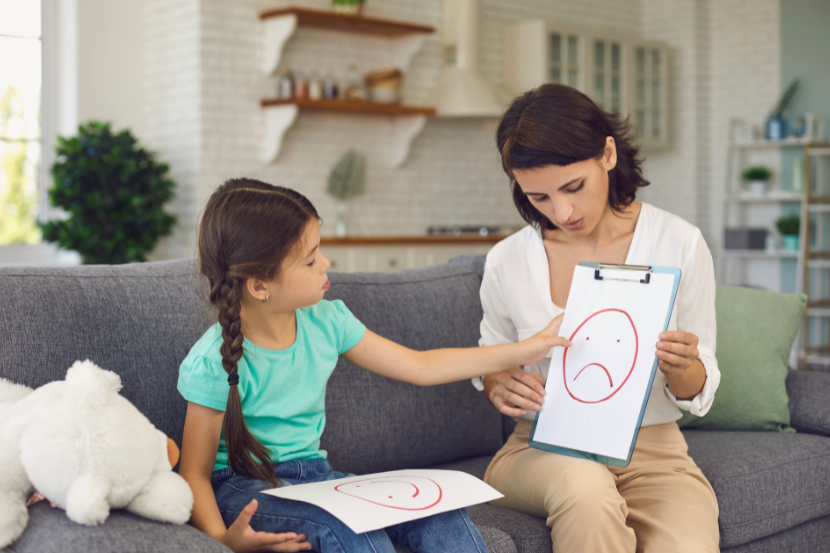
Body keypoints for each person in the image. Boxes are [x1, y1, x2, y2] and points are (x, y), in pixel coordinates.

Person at [177, 178, 571, 553]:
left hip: (316, 478)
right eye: (310, 259)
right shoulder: (213, 362)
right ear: (259, 286)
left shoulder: (327, 321)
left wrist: (526, 349)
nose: (326, 263)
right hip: (245, 490)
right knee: (344, 526)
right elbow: (194, 473)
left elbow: (421, 366)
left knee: (435, 511)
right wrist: (222, 540)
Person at [475, 83, 721, 552]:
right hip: (541, 447)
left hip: (655, 453)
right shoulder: (507, 259)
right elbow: (492, 362)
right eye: (539, 197)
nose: (562, 212)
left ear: (608, 153)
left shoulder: (679, 242)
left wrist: (682, 364)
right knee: (585, 489)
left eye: (573, 187)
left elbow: (696, 390)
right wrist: (497, 383)